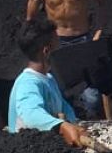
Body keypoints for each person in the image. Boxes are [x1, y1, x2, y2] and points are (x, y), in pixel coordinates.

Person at [25, 0, 108, 118]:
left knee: (92, 97)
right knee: (60, 94)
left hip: (83, 40)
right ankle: (69, 132)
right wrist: (37, 44)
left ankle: (97, 128)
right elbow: (30, 19)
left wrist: (99, 31)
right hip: (56, 44)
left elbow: (102, 3)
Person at [7, 17, 83, 146]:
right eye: (58, 45)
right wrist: (62, 126)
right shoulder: (28, 83)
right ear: (46, 51)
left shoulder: (48, 78)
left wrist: (73, 122)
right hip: (30, 151)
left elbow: (62, 105)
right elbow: (31, 115)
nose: (61, 50)